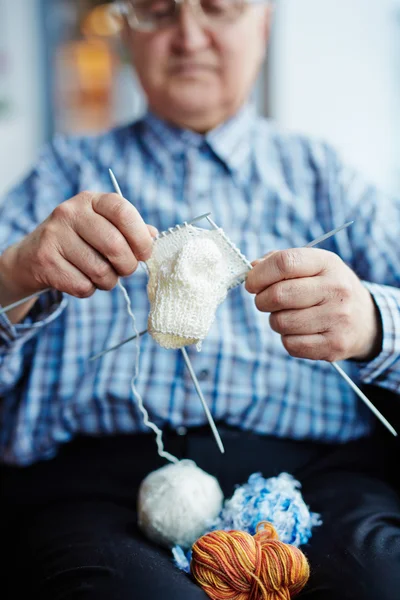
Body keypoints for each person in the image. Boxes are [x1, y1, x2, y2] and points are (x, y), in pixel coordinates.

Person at [1, 0, 399, 598]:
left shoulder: (326, 178)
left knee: (379, 579)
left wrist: (372, 321)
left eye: (218, 8)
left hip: (319, 482)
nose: (189, 37)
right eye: (158, 12)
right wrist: (13, 275)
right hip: (101, 487)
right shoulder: (63, 174)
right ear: (128, 35)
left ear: (261, 26)